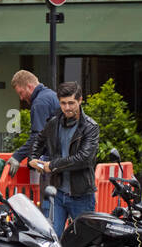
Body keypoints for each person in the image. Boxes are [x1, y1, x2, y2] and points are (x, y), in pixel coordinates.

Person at [28, 81, 100, 235]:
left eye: (71, 103)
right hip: (57, 192)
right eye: (63, 103)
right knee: (51, 239)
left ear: (80, 100)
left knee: (84, 242)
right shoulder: (54, 123)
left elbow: (84, 158)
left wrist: (52, 165)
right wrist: (33, 159)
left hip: (81, 195)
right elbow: (38, 140)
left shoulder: (90, 127)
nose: (67, 107)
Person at [6, 70, 60, 210]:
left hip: (50, 162)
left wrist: (17, 156)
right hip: (62, 161)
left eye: (21, 93)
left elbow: (38, 137)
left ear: (29, 86)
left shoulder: (40, 103)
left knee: (48, 208)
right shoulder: (52, 96)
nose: (22, 98)